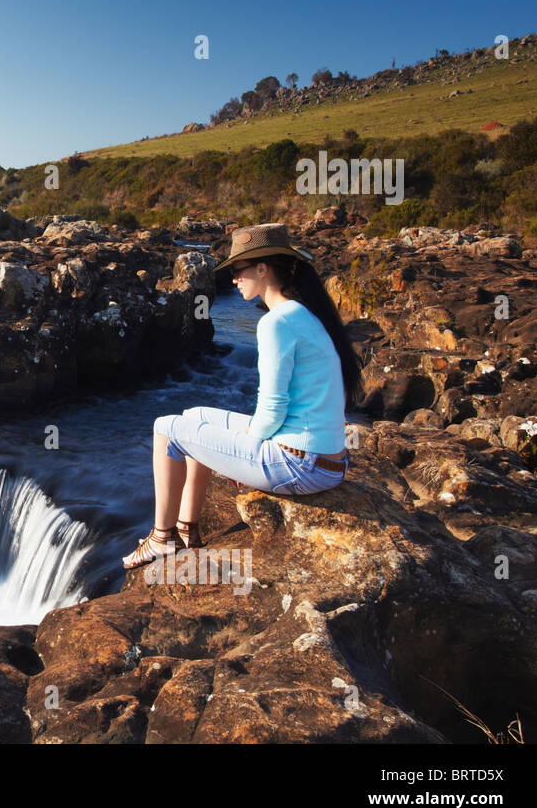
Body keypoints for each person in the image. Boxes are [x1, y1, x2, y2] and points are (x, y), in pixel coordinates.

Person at [122, 222, 364, 569]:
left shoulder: (276, 323)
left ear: (263, 269)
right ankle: (187, 530)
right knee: (193, 417)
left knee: (165, 427)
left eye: (238, 270)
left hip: (300, 465)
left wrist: (245, 452)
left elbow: (272, 409)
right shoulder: (303, 313)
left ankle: (161, 537)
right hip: (326, 462)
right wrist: (239, 449)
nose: (234, 279)